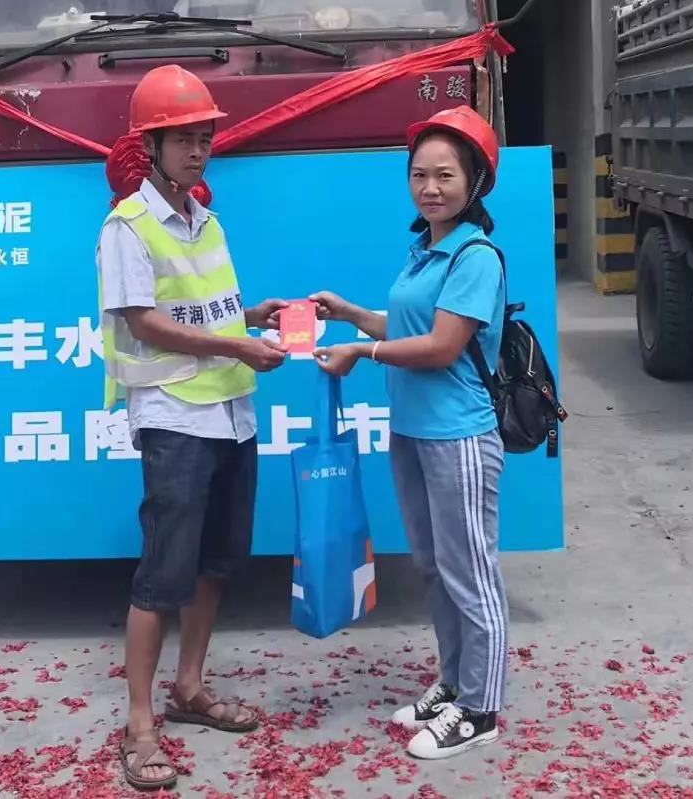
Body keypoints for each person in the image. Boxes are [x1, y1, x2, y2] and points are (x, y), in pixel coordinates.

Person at [97, 64, 288, 791]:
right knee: (162, 574)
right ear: (149, 145)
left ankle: (189, 686)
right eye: (182, 138)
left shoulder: (206, 219)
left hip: (231, 413)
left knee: (214, 563)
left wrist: (253, 318)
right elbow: (144, 321)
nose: (198, 149)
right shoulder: (128, 226)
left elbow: (206, 309)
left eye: (204, 137)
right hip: (175, 416)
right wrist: (237, 345)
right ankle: (140, 724)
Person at [312, 106, 508, 761]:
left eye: (445, 175)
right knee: (434, 567)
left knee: (470, 570)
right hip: (413, 432)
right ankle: (453, 682)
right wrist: (351, 314)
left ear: (475, 181)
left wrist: (360, 352)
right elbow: (405, 327)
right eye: (419, 174)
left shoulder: (475, 256)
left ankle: (479, 707)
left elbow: (441, 346)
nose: (430, 187)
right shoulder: (424, 248)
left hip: (459, 436)